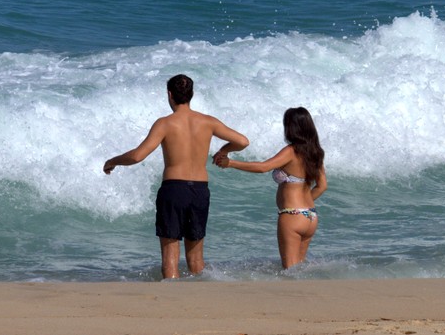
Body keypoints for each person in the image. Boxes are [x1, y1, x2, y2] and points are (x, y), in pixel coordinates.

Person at [103, 74, 249, 279]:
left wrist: (113, 161)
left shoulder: (165, 123)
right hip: (199, 190)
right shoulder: (208, 122)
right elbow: (242, 141)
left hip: (174, 190)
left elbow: (137, 156)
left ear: (169, 94)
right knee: (196, 259)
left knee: (170, 256)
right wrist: (223, 151)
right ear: (192, 95)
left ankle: (173, 301)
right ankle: (197, 301)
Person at [214, 107, 327, 269]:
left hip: (292, 215)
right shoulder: (316, 153)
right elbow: (322, 186)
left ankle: (296, 295)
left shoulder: (291, 151)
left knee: (289, 270)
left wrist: (231, 163)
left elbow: (263, 167)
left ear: (291, 127)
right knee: (299, 269)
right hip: (310, 215)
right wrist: (303, 203)